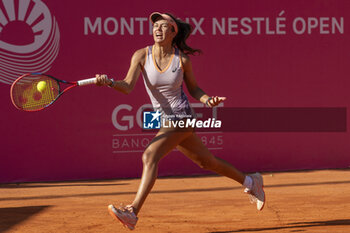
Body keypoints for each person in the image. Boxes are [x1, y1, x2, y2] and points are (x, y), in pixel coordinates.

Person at [96, 12, 265, 230]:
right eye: (155, 25)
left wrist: (207, 99)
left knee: (150, 155)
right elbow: (127, 86)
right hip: (163, 119)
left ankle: (132, 212)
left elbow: (193, 88)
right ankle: (252, 182)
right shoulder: (140, 55)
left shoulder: (182, 60)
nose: (158, 29)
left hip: (182, 116)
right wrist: (109, 82)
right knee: (207, 162)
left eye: (164, 26)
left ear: (173, 32)